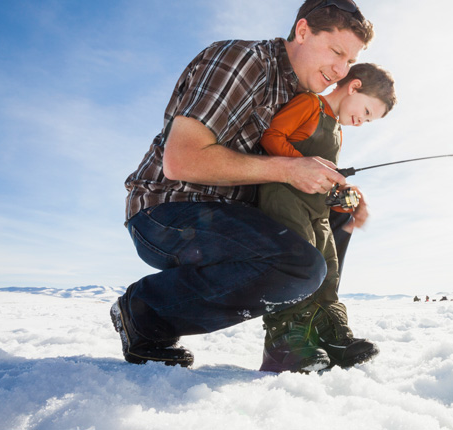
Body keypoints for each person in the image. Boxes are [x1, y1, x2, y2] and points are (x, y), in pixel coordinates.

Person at [111, 0, 374, 373]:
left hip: (233, 217)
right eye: (336, 51)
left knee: (334, 221)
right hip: (170, 210)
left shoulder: (301, 97)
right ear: (302, 31)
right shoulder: (244, 61)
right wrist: (288, 169)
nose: (340, 69)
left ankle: (299, 337)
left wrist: (337, 194)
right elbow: (180, 160)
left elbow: (287, 175)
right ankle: (145, 310)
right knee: (297, 266)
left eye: (349, 61)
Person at [257, 63, 395, 372]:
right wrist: (303, 165)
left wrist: (340, 194)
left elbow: (321, 175)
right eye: (367, 112)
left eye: (369, 120)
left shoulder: (338, 130)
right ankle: (285, 344)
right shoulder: (309, 103)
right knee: (300, 265)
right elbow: (272, 137)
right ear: (354, 87)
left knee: (328, 267)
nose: (363, 121)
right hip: (283, 198)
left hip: (316, 209)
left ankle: (330, 337)